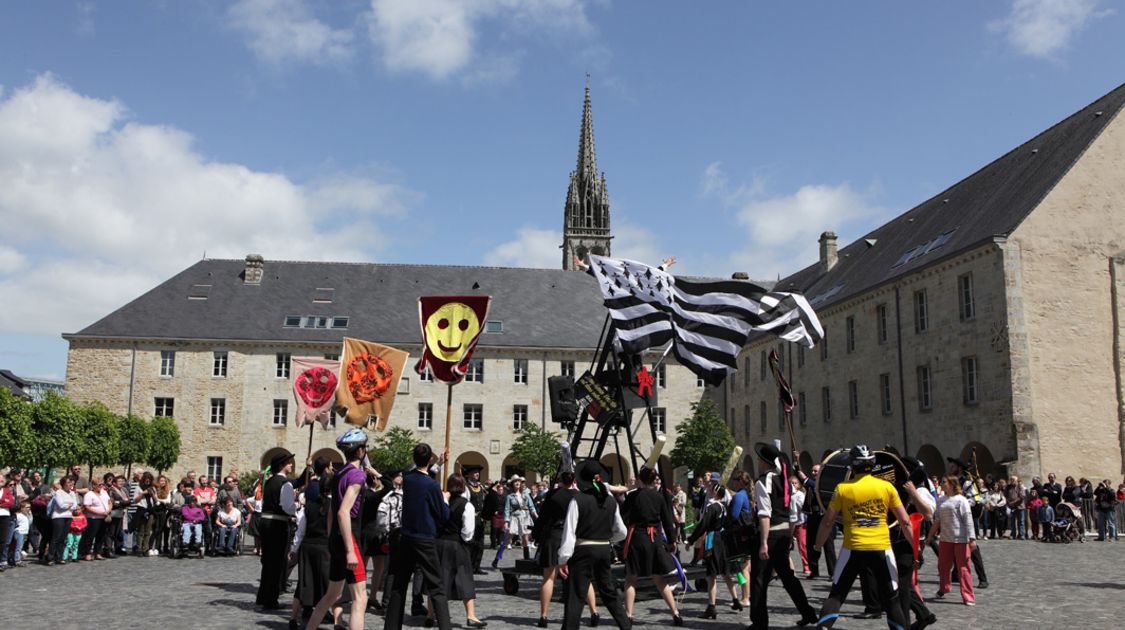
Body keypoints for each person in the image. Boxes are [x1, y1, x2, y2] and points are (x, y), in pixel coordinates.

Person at [812, 445, 913, 629]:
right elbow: (905, 521)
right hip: (881, 547)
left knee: (836, 595)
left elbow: (828, 522)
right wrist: (915, 548)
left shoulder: (842, 488)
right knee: (892, 598)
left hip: (853, 548)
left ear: (852, 465)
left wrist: (818, 546)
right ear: (873, 464)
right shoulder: (887, 487)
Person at [383, 442, 453, 630]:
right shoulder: (432, 485)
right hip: (425, 539)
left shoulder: (408, 478)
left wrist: (439, 463)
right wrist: (445, 500)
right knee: (437, 588)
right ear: (429, 459)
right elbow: (443, 516)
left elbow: (422, 475)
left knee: (400, 584)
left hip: (407, 537)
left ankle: (391, 627)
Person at [750, 442, 818, 629]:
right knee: (788, 578)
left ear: (764, 462)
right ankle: (808, 612)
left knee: (759, 579)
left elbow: (764, 514)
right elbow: (792, 512)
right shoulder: (785, 480)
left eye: (759, 459)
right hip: (783, 533)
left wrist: (763, 542)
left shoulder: (763, 482)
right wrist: (788, 537)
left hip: (770, 534)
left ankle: (759, 622)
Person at [558, 460, 632, 630]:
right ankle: (626, 626)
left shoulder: (578, 500)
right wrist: (607, 540)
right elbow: (622, 531)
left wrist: (563, 558)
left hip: (583, 549)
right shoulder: (611, 501)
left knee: (576, 594)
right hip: (604, 549)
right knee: (609, 592)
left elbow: (569, 532)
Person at [533, 469, 600, 628]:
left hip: (555, 535)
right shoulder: (581, 496)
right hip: (574, 537)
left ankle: (544, 616)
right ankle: (594, 612)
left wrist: (536, 534)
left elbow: (543, 517)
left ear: (561, 481)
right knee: (584, 578)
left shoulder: (554, 495)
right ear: (575, 480)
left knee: (548, 577)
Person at [621, 466, 683, 625]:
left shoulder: (633, 496)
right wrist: (671, 541)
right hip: (654, 539)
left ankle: (628, 615)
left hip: (637, 538)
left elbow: (624, 517)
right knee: (660, 579)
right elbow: (668, 521)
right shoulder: (660, 497)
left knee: (631, 579)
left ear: (640, 479)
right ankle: (675, 612)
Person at [290, 458, 339, 630]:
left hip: (308, 547)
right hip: (324, 547)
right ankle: (337, 622)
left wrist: (294, 548)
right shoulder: (335, 506)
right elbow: (333, 530)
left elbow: (301, 529)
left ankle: (293, 618)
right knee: (331, 585)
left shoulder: (309, 505)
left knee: (303, 583)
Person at [436, 473, 487, 627]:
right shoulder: (467, 505)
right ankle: (471, 616)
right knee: (465, 579)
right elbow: (467, 532)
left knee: (439, 579)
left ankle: (432, 614)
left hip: (440, 543)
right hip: (457, 544)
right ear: (463, 487)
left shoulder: (442, 502)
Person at [257, 450, 299, 610]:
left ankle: (263, 596)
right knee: (276, 562)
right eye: (289, 463)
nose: (291, 465)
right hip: (277, 525)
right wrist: (296, 507)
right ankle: (271, 599)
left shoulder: (270, 481)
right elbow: (287, 507)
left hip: (266, 523)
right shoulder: (284, 484)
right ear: (282, 465)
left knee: (267, 562)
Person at [926, 475, 976, 605]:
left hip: (961, 539)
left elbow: (968, 519)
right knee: (943, 566)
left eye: (944, 482)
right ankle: (944, 587)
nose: (941, 484)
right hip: (945, 538)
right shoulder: (941, 500)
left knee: (963, 568)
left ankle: (968, 595)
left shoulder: (961, 500)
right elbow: (937, 520)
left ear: (952, 484)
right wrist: (930, 536)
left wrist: (972, 538)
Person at [944, 457, 989, 588]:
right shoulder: (952, 481)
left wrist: (960, 503)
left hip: (966, 517)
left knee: (972, 548)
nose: (951, 468)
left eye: (953, 466)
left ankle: (982, 578)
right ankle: (955, 574)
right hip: (954, 518)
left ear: (959, 468)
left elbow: (975, 499)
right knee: (955, 544)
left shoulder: (967, 482)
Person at [370, 468, 403, 613]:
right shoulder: (389, 495)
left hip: (394, 533)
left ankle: (380, 599)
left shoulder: (400, 494)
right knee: (391, 570)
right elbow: (383, 517)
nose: (401, 478)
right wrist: (384, 533)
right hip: (390, 533)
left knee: (387, 569)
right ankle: (386, 601)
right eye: (399, 475)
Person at [727, 469, 754, 608]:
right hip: (747, 533)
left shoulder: (739, 496)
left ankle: (745, 597)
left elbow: (734, 516)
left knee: (741, 568)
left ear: (738, 481)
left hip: (740, 535)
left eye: (734, 480)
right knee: (746, 567)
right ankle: (747, 595)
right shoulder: (747, 494)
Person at [503, 475, 538, 561]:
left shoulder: (526, 494)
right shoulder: (510, 496)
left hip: (525, 518)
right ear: (512, 484)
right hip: (515, 518)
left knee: (525, 539)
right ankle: (497, 558)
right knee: (508, 540)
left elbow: (531, 506)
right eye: (515, 481)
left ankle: (527, 559)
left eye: (519, 481)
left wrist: (536, 516)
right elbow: (507, 510)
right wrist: (506, 522)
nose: (517, 482)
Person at [462, 464, 488, 574]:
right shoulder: (466, 488)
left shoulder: (480, 487)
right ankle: (469, 566)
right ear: (468, 475)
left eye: (478, 472)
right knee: (471, 543)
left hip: (480, 518)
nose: (477, 474)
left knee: (480, 543)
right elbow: (464, 503)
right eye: (474, 472)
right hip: (471, 518)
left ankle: (477, 566)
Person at [48, 475, 79, 566]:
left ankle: (59, 557)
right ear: (64, 484)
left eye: (71, 482)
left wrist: (69, 505)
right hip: (58, 517)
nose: (71, 484)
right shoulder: (59, 492)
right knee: (56, 538)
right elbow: (61, 505)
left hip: (68, 516)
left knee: (63, 538)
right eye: (69, 482)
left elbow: (75, 506)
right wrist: (69, 505)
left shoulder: (72, 493)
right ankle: (50, 557)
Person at [79, 477, 111, 561]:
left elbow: (109, 502)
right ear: (93, 485)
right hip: (93, 518)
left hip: (104, 517)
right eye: (99, 485)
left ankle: (97, 552)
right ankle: (87, 553)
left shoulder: (104, 492)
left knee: (101, 536)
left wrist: (108, 510)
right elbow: (87, 507)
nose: (101, 486)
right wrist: (99, 513)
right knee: (90, 536)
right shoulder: (89, 494)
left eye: (102, 484)